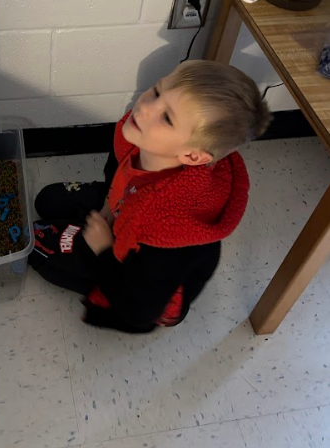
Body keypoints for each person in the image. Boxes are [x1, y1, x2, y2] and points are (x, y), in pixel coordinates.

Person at [29, 60, 271, 333]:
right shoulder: (138, 138)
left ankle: (94, 259)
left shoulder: (169, 239)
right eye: (157, 91)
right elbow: (117, 170)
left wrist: (103, 250)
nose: (144, 107)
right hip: (128, 209)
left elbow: (139, 311)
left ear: (192, 155)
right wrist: (110, 202)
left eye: (167, 118)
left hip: (137, 281)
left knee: (36, 247)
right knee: (46, 200)